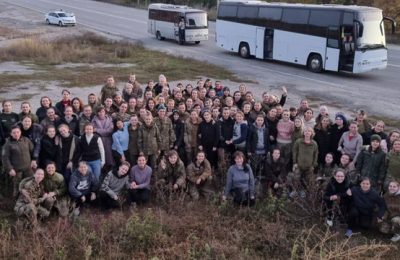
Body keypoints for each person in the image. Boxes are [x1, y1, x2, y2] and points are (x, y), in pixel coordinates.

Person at [2, 126, 35, 197]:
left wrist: (34, 160)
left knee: (31, 184)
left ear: (20, 132)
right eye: (14, 133)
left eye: (18, 132)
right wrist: (10, 169)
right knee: (17, 187)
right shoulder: (7, 144)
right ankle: (16, 200)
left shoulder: (26, 140)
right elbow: (5, 158)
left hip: (28, 168)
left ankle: (31, 198)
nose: (16, 134)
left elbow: (33, 151)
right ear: (11, 134)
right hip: (17, 170)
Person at [247, 114, 269, 179]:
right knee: (254, 165)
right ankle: (253, 177)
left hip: (263, 150)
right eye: (258, 120)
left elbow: (267, 141)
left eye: (261, 120)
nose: (260, 121)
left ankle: (260, 177)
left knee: (261, 165)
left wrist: (268, 150)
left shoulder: (266, 129)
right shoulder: (252, 128)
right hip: (255, 150)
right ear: (256, 120)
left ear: (263, 121)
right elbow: (248, 140)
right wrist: (248, 150)